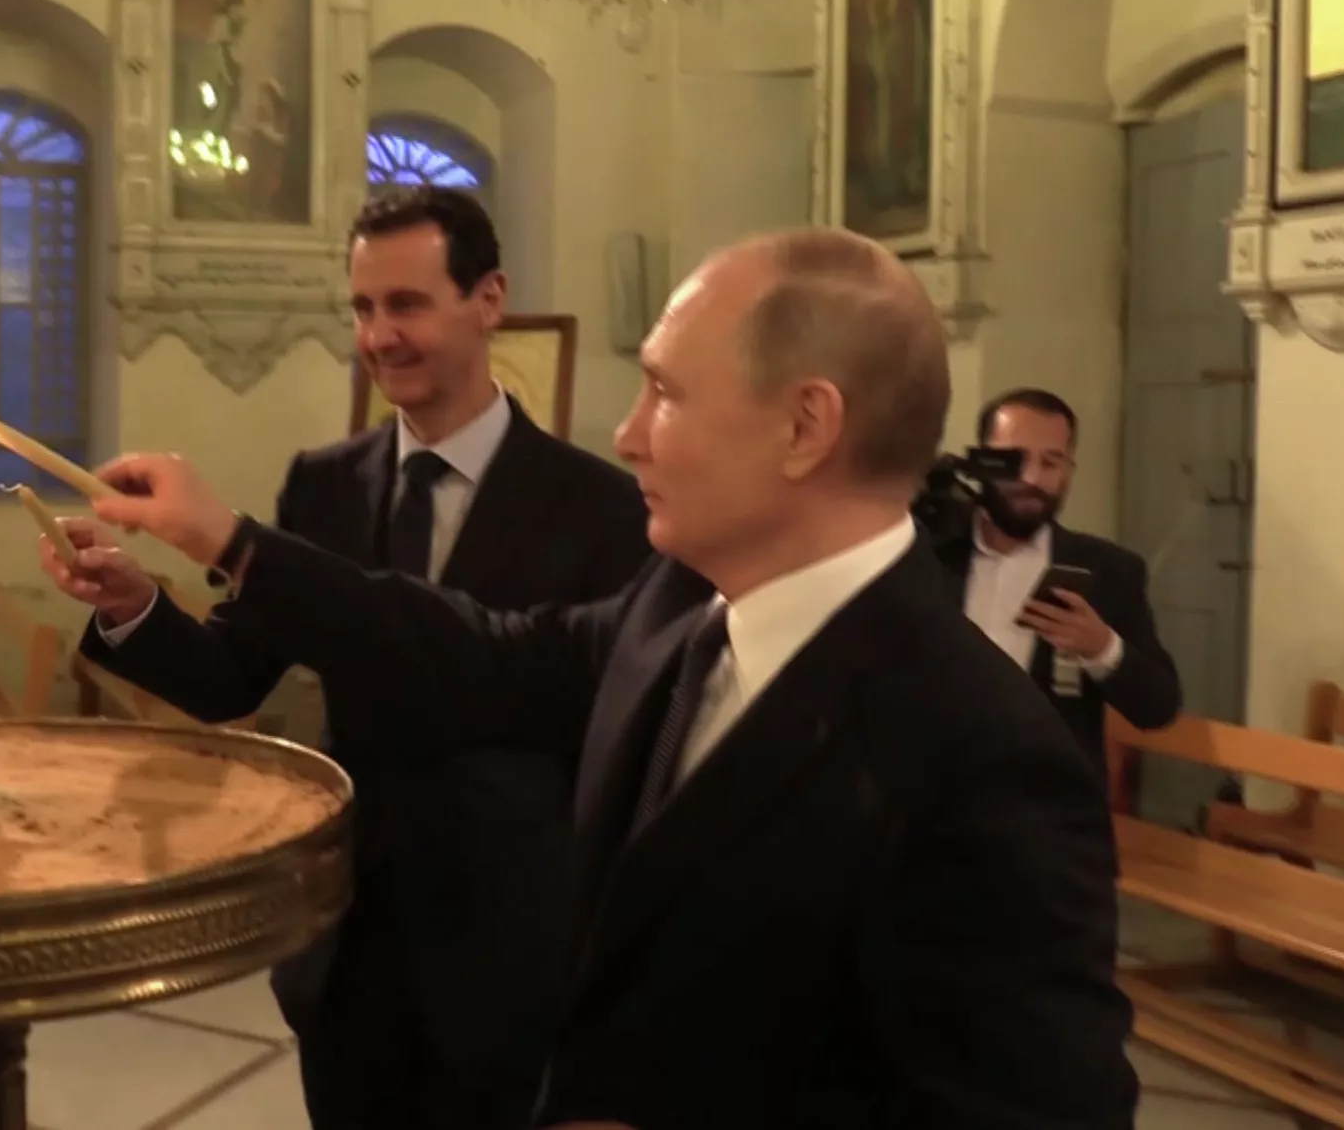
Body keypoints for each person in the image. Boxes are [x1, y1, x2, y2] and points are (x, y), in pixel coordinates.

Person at [57, 227, 1139, 1128]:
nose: (628, 435)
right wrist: (232, 544)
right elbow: (470, 650)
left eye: (664, 392)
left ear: (805, 426)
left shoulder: (985, 758)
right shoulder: (675, 605)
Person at [54, 187, 650, 1130]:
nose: (378, 337)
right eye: (363, 308)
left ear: (488, 300)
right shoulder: (326, 483)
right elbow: (229, 676)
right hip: (348, 944)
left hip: (508, 950)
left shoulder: (601, 507)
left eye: (407, 304)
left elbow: (576, 720)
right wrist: (135, 607)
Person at [937, 388, 1182, 773]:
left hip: (1045, 797)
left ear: (1068, 470)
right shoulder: (926, 555)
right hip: (931, 791)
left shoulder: (1108, 570)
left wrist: (1101, 647)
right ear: (982, 461)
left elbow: (1159, 708)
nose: (1032, 478)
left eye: (1051, 462)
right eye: (1013, 459)